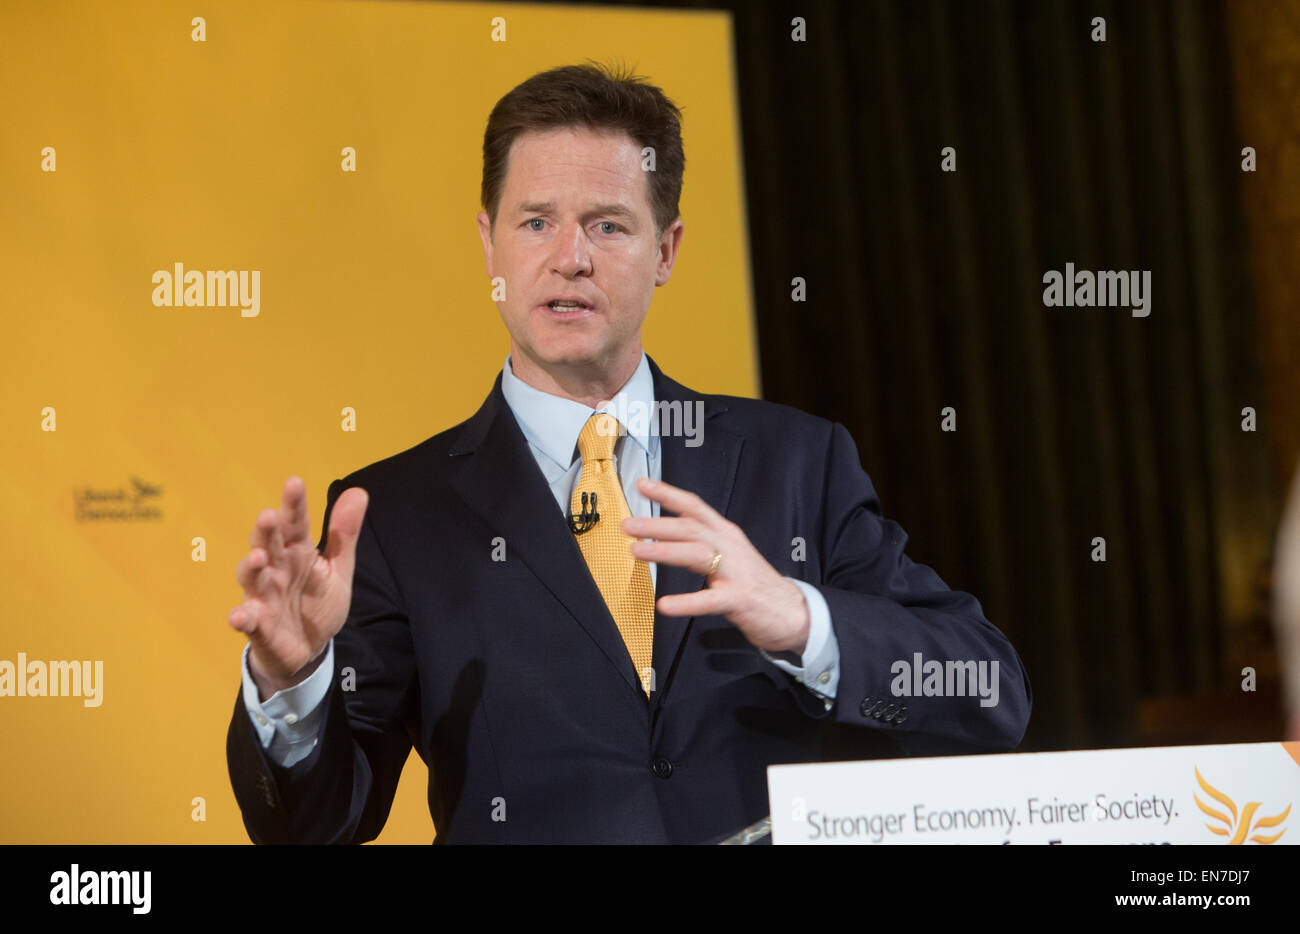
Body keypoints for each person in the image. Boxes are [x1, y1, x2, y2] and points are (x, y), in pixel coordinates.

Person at [225, 61, 1032, 844]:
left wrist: (799, 618)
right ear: (489, 244)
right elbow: (318, 826)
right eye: (535, 221)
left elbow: (988, 692)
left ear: (669, 250)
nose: (568, 256)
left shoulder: (796, 461)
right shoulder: (395, 514)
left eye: (608, 225)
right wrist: (293, 682)